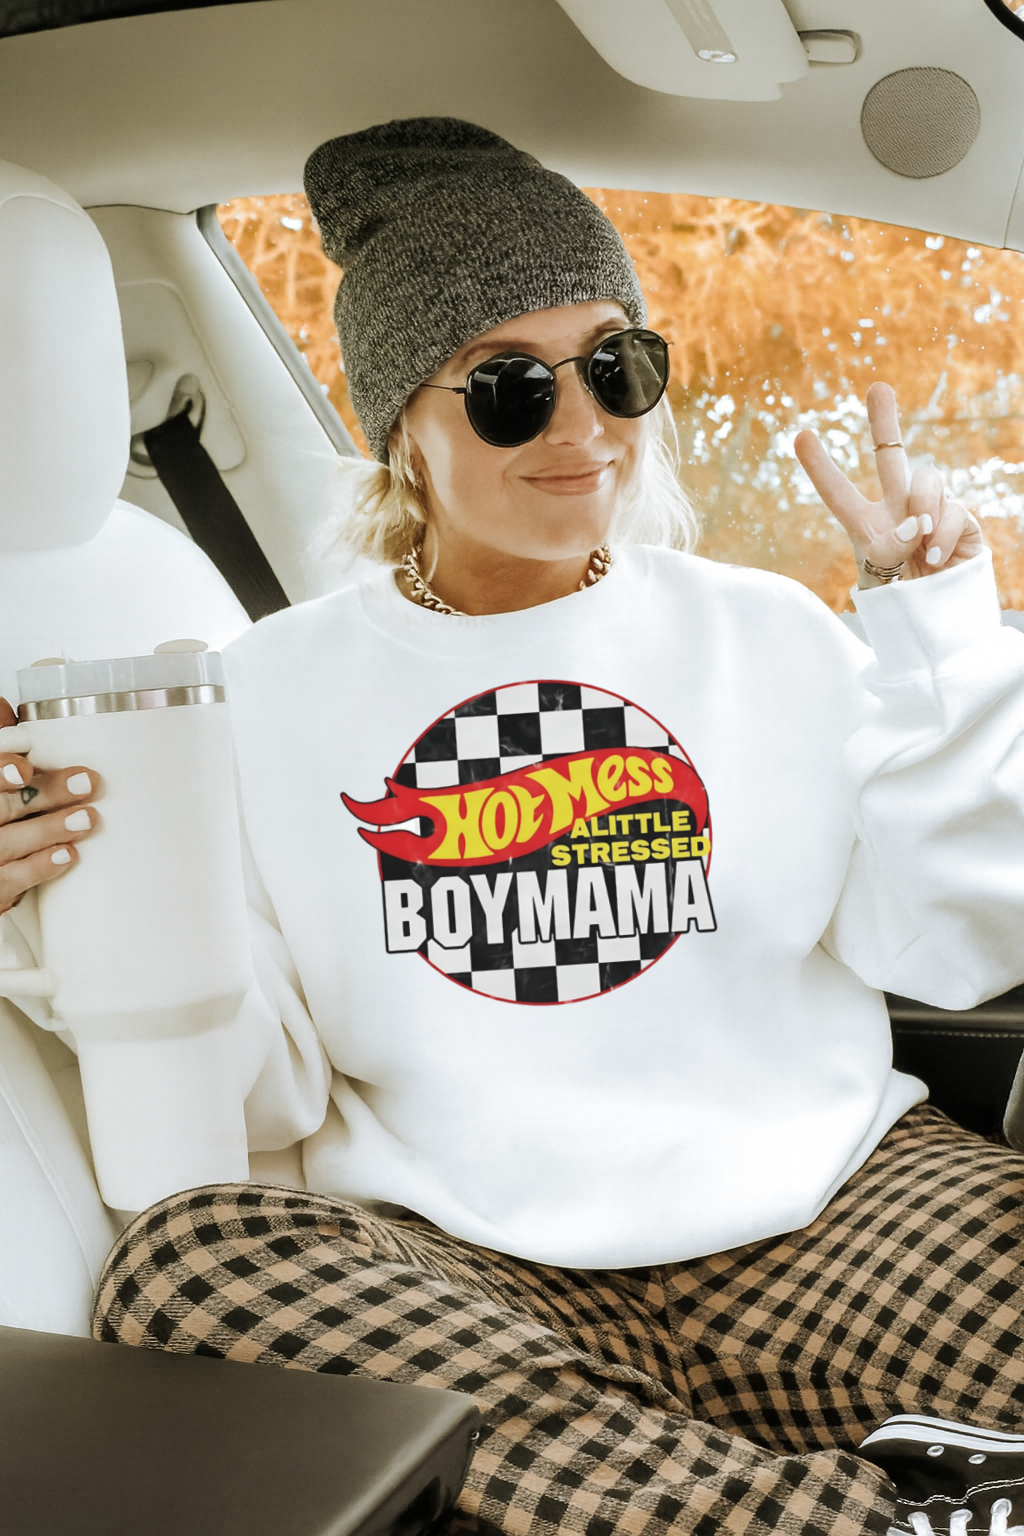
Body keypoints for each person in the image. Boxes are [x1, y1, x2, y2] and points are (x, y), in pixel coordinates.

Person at [5, 117, 1024, 1536]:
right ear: (401, 427)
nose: (583, 427)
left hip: (839, 1216)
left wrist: (941, 637)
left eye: (617, 366)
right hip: (475, 1271)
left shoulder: (769, 631)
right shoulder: (259, 693)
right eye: (509, 388)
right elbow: (266, 1094)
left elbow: (950, 942)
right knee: (185, 1264)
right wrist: (64, 904)